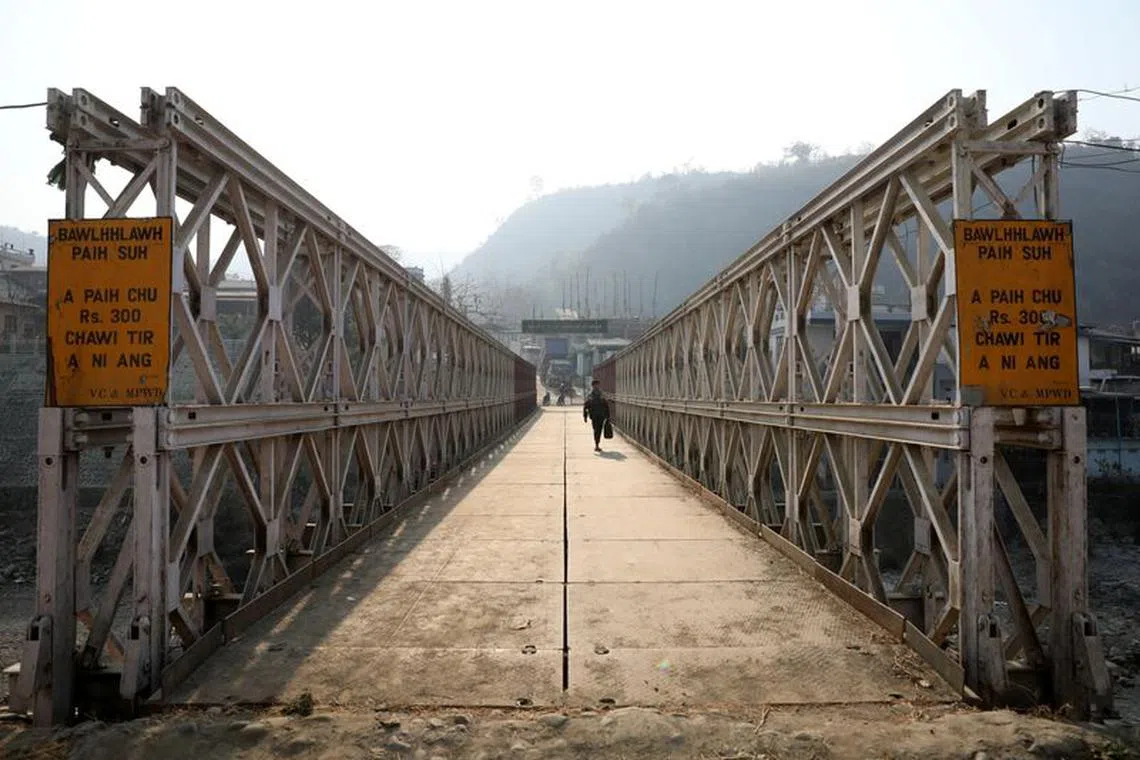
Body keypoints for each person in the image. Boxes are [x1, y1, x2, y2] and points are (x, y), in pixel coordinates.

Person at [582, 380, 610, 452]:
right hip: (594, 416)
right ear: (593, 386)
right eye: (595, 385)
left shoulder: (602, 395)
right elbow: (586, 406)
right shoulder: (590, 395)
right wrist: (585, 416)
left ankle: (597, 444)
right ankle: (597, 444)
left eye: (597, 385)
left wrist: (608, 416)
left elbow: (606, 406)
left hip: (601, 415)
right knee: (595, 430)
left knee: (599, 430)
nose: (596, 386)